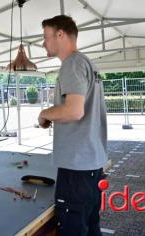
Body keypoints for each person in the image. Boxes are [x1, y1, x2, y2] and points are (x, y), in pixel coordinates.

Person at [38, 15, 108, 236]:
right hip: (92, 164)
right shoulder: (87, 63)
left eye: (45, 37)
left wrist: (44, 113)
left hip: (77, 167)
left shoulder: (72, 64)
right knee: (90, 226)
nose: (43, 43)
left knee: (73, 228)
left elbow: (74, 111)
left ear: (60, 34)